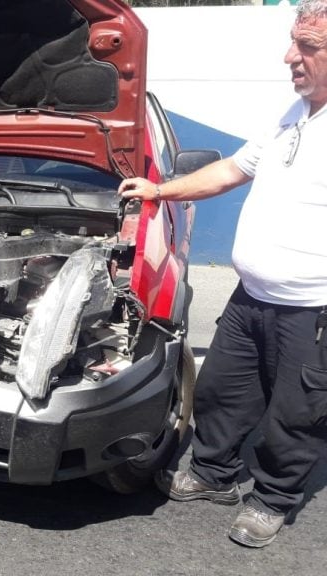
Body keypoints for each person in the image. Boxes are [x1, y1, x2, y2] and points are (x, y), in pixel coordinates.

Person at [118, 0, 327, 549]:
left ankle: (274, 498)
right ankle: (212, 474)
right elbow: (233, 169)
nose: (290, 57)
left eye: (308, 47)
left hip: (313, 310)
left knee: (295, 413)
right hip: (252, 297)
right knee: (221, 391)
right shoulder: (294, 113)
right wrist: (159, 190)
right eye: (293, 42)